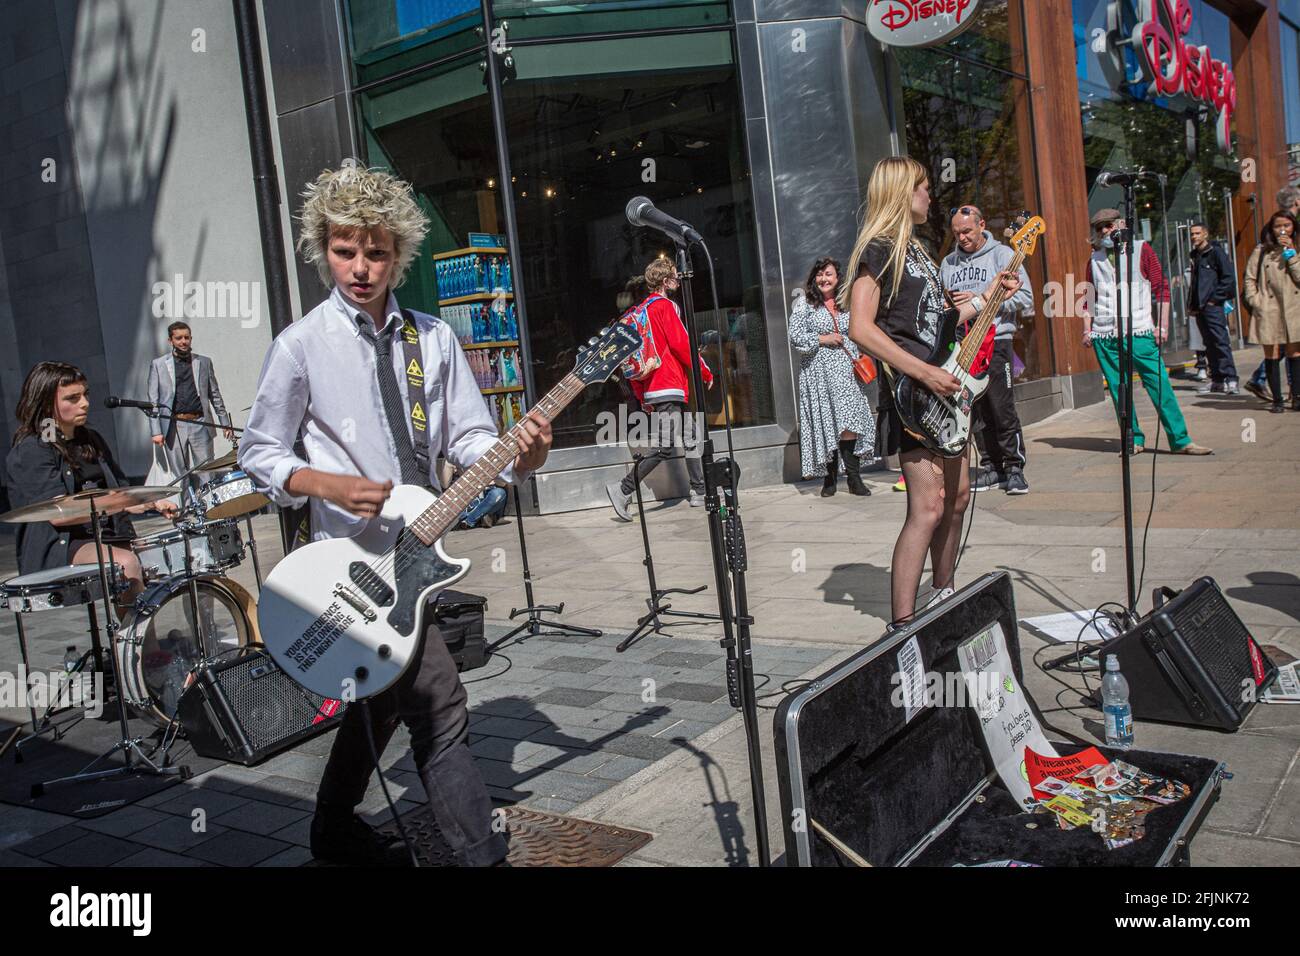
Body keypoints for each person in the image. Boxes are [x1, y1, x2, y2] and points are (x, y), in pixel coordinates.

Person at [238, 163, 552, 867]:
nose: (360, 267)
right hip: (350, 566)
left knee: (381, 700)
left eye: (375, 252)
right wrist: (325, 483)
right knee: (440, 703)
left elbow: (470, 440)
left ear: (397, 256)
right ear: (325, 249)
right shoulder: (301, 345)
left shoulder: (433, 341)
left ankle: (331, 829)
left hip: (421, 549)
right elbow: (259, 453)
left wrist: (520, 458)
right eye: (346, 250)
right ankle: (480, 856)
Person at [844, 156, 1021, 625]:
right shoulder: (879, 249)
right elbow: (859, 327)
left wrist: (992, 296)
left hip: (947, 392)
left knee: (959, 496)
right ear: (903, 192)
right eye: (922, 187)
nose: (930, 194)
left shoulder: (919, 251)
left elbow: (939, 323)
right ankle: (901, 625)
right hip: (913, 398)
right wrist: (922, 373)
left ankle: (942, 596)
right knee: (927, 507)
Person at [5, 362, 178, 611]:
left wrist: (151, 501)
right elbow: (60, 516)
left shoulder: (90, 439)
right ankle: (142, 648)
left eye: (85, 394)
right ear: (45, 402)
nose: (84, 403)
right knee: (126, 564)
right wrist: (118, 506)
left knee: (164, 554)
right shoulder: (33, 448)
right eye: (72, 398)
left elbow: (118, 491)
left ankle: (157, 640)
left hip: (104, 533)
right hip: (62, 543)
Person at [1082, 209, 1211, 455]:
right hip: (1105, 334)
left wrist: (1161, 326)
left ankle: (1180, 440)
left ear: (1120, 224)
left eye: (1108, 225)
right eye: (1099, 228)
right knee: (1120, 389)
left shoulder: (1141, 249)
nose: (1104, 232)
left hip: (1139, 329)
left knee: (1159, 383)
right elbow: (1088, 297)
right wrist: (1086, 330)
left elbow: (1161, 287)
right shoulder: (1094, 260)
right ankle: (1133, 438)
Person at [605, 258, 714, 519]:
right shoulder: (665, 306)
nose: (679, 279)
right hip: (669, 386)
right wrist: (705, 370)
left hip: (657, 387)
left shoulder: (641, 310)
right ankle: (622, 488)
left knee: (691, 437)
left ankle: (700, 491)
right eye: (675, 276)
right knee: (665, 447)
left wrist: (643, 396)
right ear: (665, 282)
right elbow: (681, 344)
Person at [941, 205, 1034, 495]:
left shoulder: (1003, 255)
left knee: (1001, 406)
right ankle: (992, 467)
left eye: (967, 231)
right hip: (963, 345)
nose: (962, 237)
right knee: (976, 409)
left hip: (997, 340)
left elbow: (1027, 301)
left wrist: (986, 301)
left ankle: (1014, 467)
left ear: (982, 225)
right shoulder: (948, 263)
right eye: (957, 233)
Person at [788, 257, 874, 496]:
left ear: (838, 278)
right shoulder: (805, 303)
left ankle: (854, 479)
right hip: (818, 374)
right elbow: (794, 336)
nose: (823, 279)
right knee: (827, 424)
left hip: (846, 373)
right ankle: (830, 477)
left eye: (828, 274)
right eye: (819, 274)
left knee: (848, 423)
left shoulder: (847, 302)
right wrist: (822, 339)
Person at [146, 321, 234, 474]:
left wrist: (224, 422)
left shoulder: (203, 362)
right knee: (181, 477)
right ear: (170, 341)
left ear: (191, 339)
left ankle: (207, 499)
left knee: (207, 473)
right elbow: (153, 401)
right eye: (178, 338)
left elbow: (214, 394)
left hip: (200, 423)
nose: (183, 341)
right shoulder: (158, 365)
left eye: (186, 337)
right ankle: (186, 499)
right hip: (174, 426)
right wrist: (156, 431)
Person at [1242, 209, 1300, 413]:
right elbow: (1249, 277)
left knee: (1295, 352)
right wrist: (1255, 300)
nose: (1282, 230)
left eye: (1287, 225)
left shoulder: (1297, 247)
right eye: (1278, 226)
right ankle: (1277, 400)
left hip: (1293, 307)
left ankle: (1296, 397)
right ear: (1271, 228)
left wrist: (1292, 254)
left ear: (1293, 227)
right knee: (1272, 353)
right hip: (1268, 306)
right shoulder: (1262, 250)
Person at [1185, 224, 1239, 394]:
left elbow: (1228, 278)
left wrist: (1215, 300)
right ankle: (1217, 380)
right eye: (1192, 234)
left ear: (1206, 234)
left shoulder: (1215, 252)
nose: (1194, 236)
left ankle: (1231, 378)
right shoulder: (1195, 255)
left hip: (1212, 307)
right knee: (1208, 344)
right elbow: (1195, 284)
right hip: (1200, 308)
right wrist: (1192, 305)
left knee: (1220, 342)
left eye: (1197, 233)